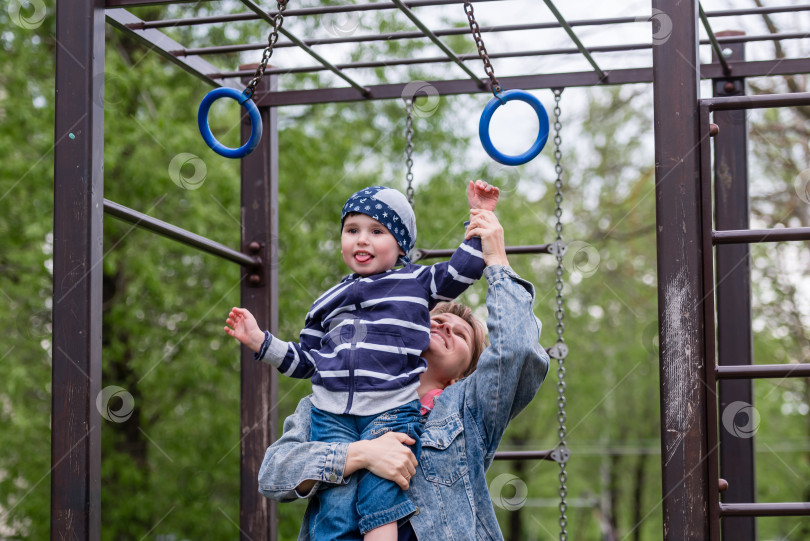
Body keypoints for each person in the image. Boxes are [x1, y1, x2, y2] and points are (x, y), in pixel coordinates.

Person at [225, 182, 500, 540]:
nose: (362, 240)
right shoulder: (327, 302)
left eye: (376, 231)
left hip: (391, 408)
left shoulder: (414, 283)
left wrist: (481, 217)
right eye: (352, 230)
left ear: (401, 246)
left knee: (380, 498)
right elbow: (309, 361)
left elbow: (462, 270)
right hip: (334, 411)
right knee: (335, 507)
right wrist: (263, 342)